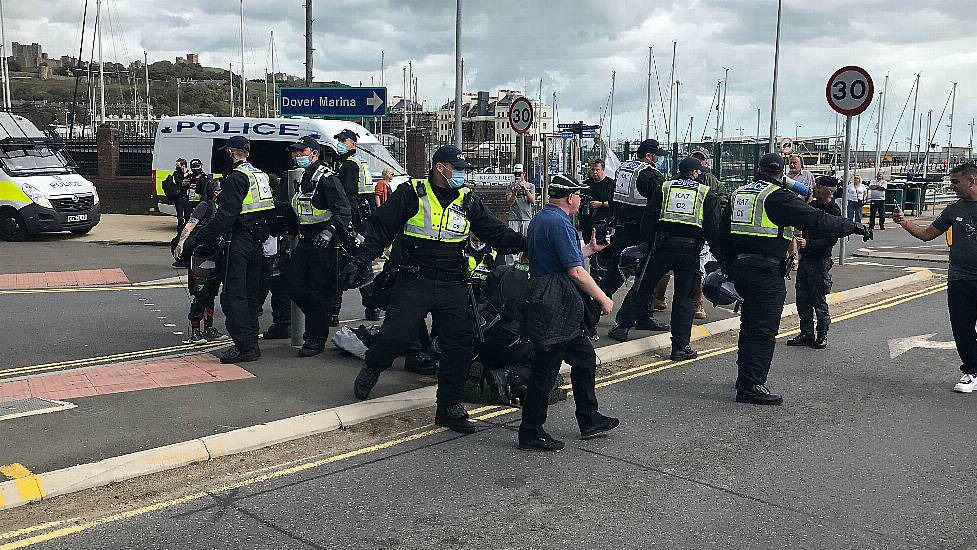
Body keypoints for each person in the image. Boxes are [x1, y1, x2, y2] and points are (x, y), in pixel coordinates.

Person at [339, 145, 526, 433]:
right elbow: (379, 231)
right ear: (440, 167)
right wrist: (358, 263)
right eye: (457, 167)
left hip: (453, 280)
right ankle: (373, 367)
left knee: (461, 342)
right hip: (415, 278)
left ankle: (448, 406)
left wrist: (530, 244)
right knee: (396, 337)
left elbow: (495, 232)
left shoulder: (467, 200)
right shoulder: (412, 193)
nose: (462, 173)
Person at [721, 153, 871, 405]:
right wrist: (853, 226)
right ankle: (751, 386)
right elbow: (817, 220)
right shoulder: (777, 197)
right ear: (782, 174)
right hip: (766, 271)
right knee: (763, 331)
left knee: (749, 325)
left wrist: (728, 264)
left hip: (740, 267)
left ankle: (745, 377)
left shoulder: (741, 193)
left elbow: (722, 231)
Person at [518, 174, 619, 451]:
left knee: (584, 359)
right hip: (555, 301)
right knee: (545, 370)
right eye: (579, 195)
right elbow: (575, 272)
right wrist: (603, 298)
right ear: (571, 197)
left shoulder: (542, 218)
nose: (581, 200)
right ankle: (530, 431)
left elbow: (561, 259)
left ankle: (590, 419)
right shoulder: (559, 223)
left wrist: (590, 249)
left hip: (548, 297)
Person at [608, 157, 724, 361]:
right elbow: (713, 229)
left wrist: (647, 243)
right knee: (684, 299)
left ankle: (622, 327)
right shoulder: (705, 193)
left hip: (661, 247)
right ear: (696, 173)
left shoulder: (664, 188)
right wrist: (720, 256)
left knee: (643, 287)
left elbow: (649, 220)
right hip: (689, 252)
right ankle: (680, 347)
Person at [892, 163, 977, 393]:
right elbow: (927, 234)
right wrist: (904, 221)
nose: (952, 187)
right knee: (962, 328)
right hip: (960, 278)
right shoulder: (953, 210)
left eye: (955, 182)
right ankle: (972, 371)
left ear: (971, 181)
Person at [193, 135, 275, 363]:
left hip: (238, 241)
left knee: (233, 297)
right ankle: (251, 344)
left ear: (231, 152)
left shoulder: (236, 178)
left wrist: (199, 238)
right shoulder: (259, 175)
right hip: (258, 241)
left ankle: (244, 347)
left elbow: (225, 217)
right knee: (250, 295)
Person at [592, 139, 671, 333]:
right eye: (657, 156)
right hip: (642, 233)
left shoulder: (622, 170)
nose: (658, 159)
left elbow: (612, 198)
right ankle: (631, 319)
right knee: (645, 277)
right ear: (649, 156)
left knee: (614, 273)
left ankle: (592, 314)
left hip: (621, 229)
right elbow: (657, 206)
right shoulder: (651, 175)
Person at [285, 135, 353, 357]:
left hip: (324, 243)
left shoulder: (327, 178)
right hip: (305, 241)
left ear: (314, 154)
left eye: (301, 152)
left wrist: (329, 231)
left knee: (317, 293)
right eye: (295, 152)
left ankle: (316, 339)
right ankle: (318, 321)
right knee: (294, 286)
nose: (297, 156)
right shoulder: (304, 177)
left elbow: (344, 210)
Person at [786, 176, 843, 350]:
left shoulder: (833, 211)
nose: (814, 189)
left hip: (820, 261)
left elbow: (831, 239)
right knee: (802, 298)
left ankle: (822, 334)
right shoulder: (812, 206)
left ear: (827, 191)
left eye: (818, 187)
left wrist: (809, 244)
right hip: (806, 259)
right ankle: (806, 333)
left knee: (818, 299)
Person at [333, 129, 380, 323]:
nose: (340, 143)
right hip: (363, 221)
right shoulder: (359, 162)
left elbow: (348, 196)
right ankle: (372, 306)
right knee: (362, 263)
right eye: (339, 140)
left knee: (341, 264)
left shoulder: (349, 165)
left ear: (353, 143)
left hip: (354, 221)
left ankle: (333, 313)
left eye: (344, 140)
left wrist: (347, 223)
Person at [173, 178, 224, 344]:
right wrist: (181, 243)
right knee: (201, 293)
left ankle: (208, 328)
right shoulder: (205, 206)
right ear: (215, 192)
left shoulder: (223, 208)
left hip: (216, 254)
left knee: (211, 293)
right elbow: (189, 226)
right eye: (221, 189)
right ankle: (195, 330)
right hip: (201, 255)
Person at [505, 164, 536, 264]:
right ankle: (510, 266)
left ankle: (524, 265)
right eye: (516, 174)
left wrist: (525, 190)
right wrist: (514, 191)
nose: (517, 175)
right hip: (513, 218)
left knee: (526, 243)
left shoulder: (530, 186)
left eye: (519, 173)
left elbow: (532, 200)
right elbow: (509, 202)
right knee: (511, 243)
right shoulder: (510, 186)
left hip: (527, 218)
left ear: (524, 174)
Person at [580, 160, 614, 245]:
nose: (594, 172)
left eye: (597, 170)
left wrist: (600, 204)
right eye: (592, 169)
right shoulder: (586, 185)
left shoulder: (610, 184)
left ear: (603, 170)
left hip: (603, 223)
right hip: (588, 222)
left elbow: (614, 203)